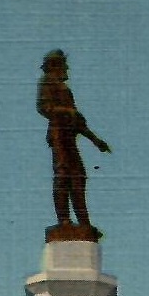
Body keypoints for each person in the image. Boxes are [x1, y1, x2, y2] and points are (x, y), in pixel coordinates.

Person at [37, 50, 111, 228]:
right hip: (58, 134)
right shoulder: (46, 82)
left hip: (69, 136)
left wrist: (96, 140)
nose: (67, 69)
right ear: (55, 66)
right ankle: (64, 220)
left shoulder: (66, 91)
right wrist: (67, 111)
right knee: (63, 176)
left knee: (78, 176)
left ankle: (83, 221)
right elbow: (43, 107)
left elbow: (78, 123)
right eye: (63, 65)